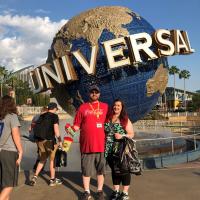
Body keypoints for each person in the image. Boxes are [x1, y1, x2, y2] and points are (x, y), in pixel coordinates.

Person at [66, 85, 108, 200]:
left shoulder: (105, 107)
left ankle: (99, 191)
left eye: (96, 92)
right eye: (92, 92)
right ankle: (86, 191)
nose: (94, 94)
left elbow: (111, 123)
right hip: (87, 146)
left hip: (101, 145)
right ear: (89, 93)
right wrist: (69, 129)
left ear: (99, 94)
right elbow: (76, 125)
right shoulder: (82, 108)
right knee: (86, 171)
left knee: (101, 170)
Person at [104, 99, 134, 200]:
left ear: (122, 108)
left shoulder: (125, 119)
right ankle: (116, 191)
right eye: (115, 105)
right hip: (109, 149)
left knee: (124, 170)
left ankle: (125, 193)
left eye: (118, 105)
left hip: (121, 150)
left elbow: (131, 134)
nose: (116, 107)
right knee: (114, 170)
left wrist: (122, 135)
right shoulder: (108, 118)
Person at [29, 102, 63, 186]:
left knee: (42, 159)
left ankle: (34, 177)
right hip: (49, 141)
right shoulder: (54, 116)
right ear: (54, 108)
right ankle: (52, 180)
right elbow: (56, 130)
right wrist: (60, 140)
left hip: (40, 141)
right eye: (56, 109)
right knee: (52, 160)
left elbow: (32, 127)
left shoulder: (42, 115)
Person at [0, 95, 23, 200]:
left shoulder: (1, 117)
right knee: (9, 184)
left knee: (4, 184)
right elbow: (16, 135)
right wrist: (21, 151)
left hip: (1, 151)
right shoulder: (12, 116)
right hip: (9, 152)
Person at [28, 106, 48, 171]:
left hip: (35, 137)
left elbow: (30, 128)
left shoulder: (36, 116)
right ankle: (39, 169)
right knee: (44, 154)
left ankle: (37, 168)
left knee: (41, 153)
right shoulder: (45, 117)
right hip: (41, 138)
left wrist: (31, 134)